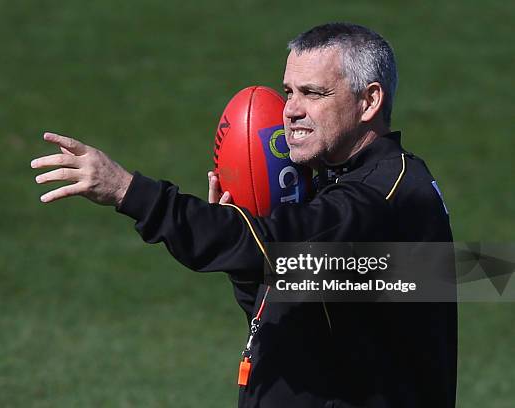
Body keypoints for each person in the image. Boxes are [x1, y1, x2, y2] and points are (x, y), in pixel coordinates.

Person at [31, 23, 457, 408]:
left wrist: (129, 191)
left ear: (369, 101)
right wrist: (246, 268)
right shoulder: (338, 183)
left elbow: (276, 247)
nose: (291, 109)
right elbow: (298, 314)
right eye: (289, 91)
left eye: (313, 93)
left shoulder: (383, 197)